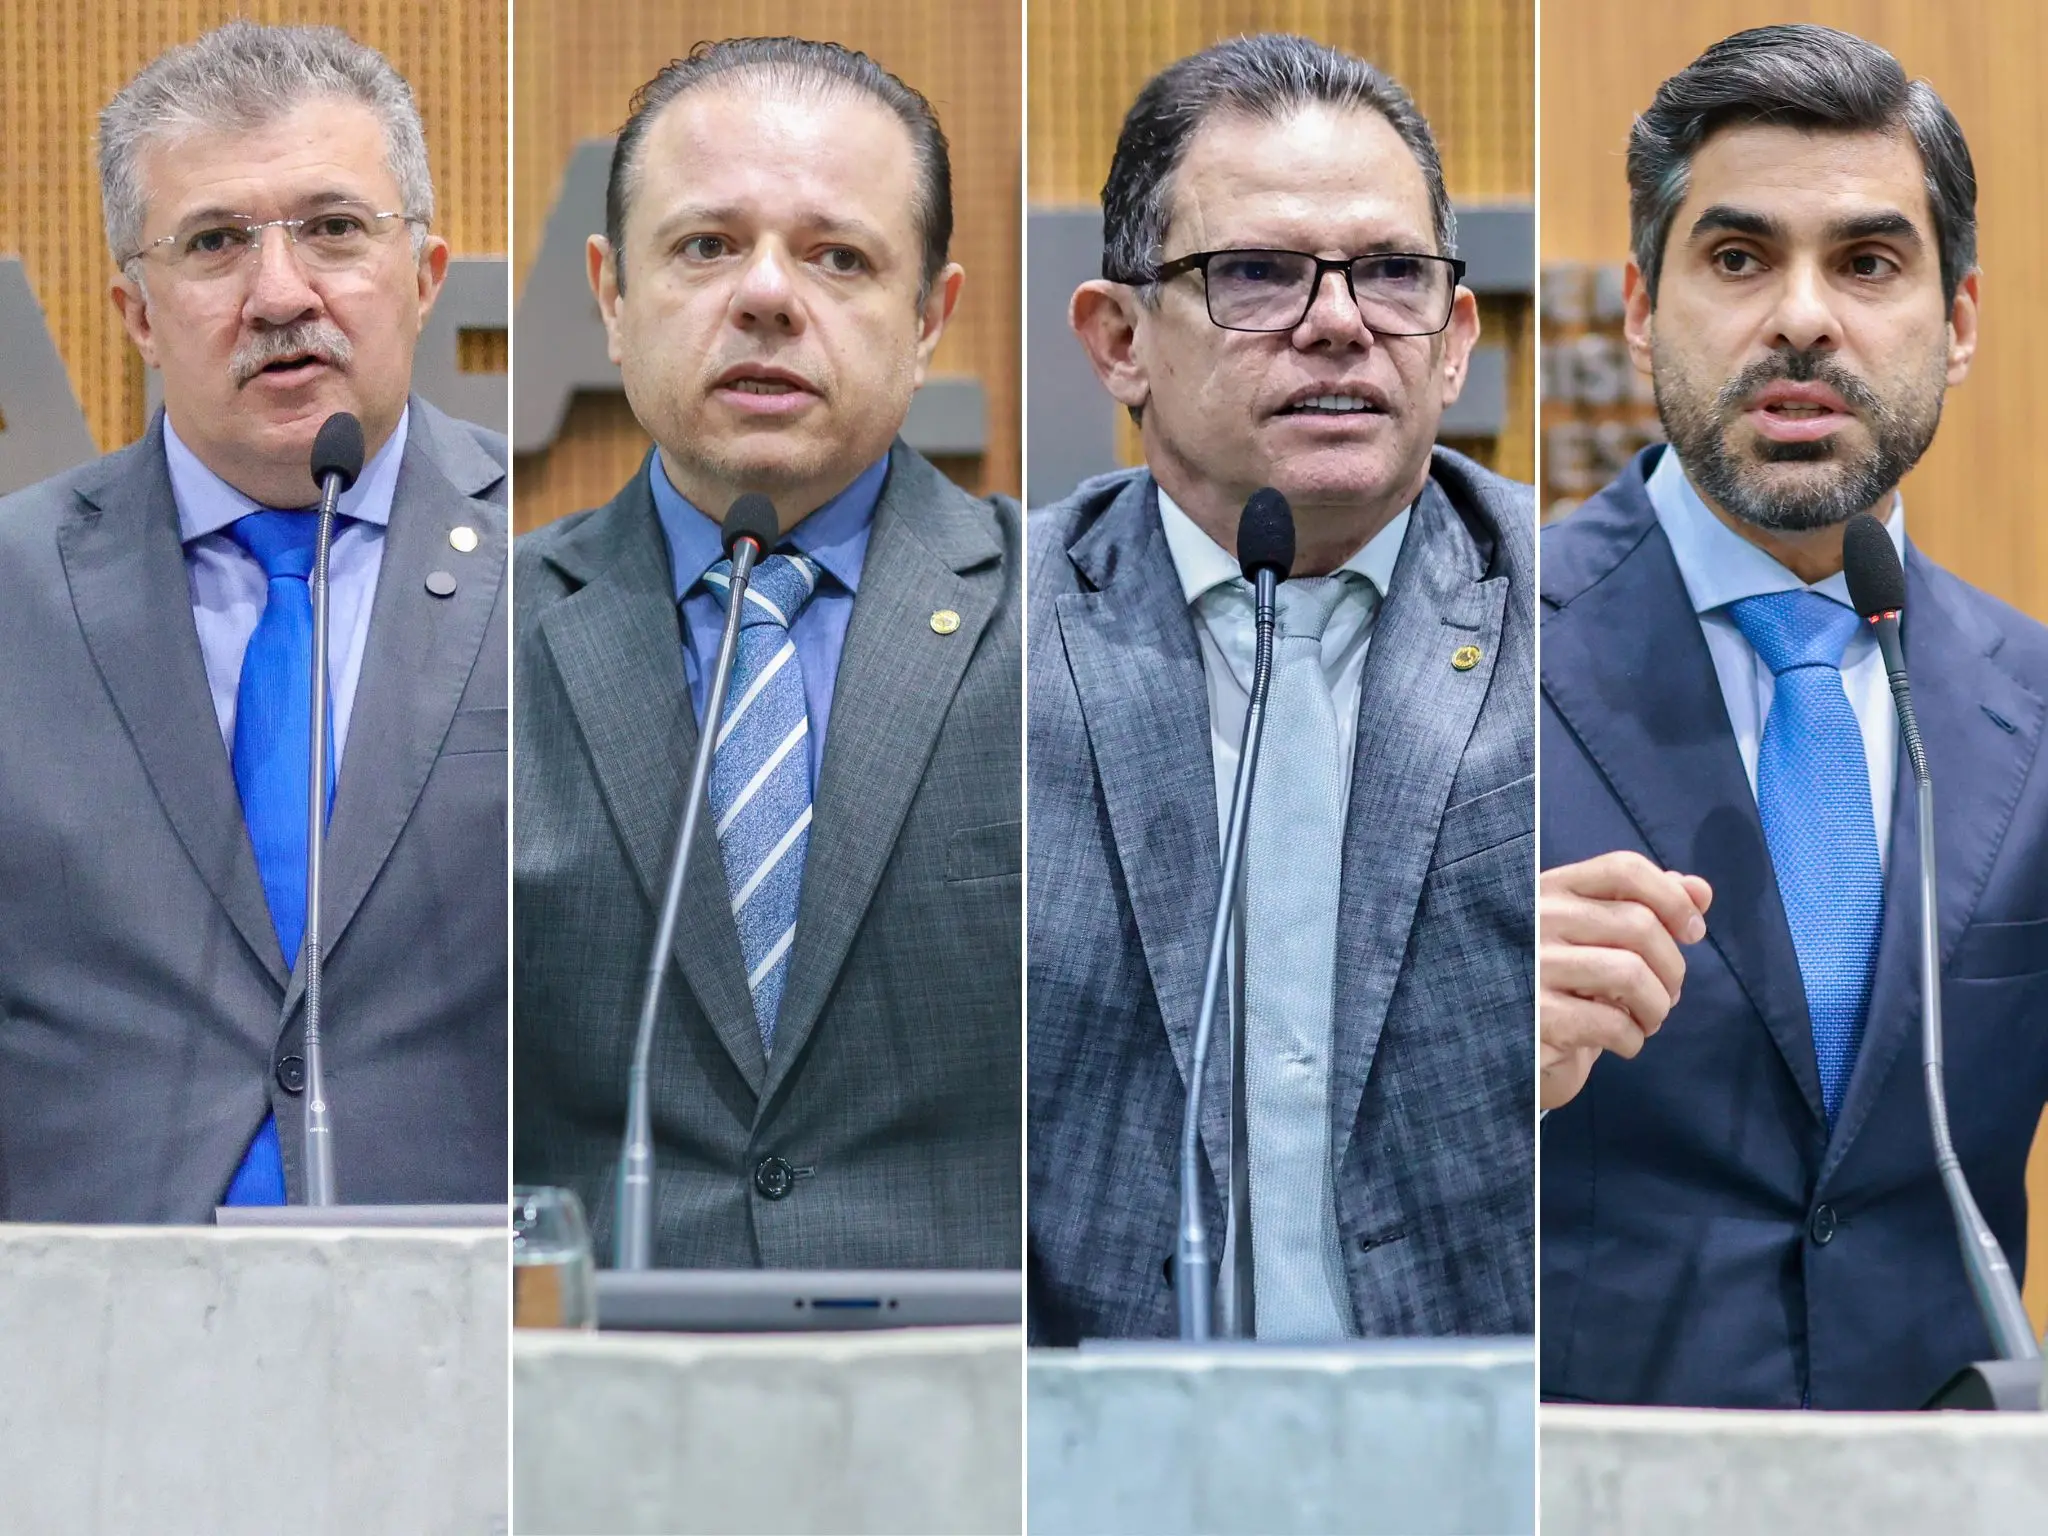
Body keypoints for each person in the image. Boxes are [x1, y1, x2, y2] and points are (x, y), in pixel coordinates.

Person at [1540, 25, 2048, 1409]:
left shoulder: (2035, 703)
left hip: (1940, 1480)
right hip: (1579, 1481)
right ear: (1641, 306)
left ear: (1958, 320)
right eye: (1737, 258)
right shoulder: (1467, 659)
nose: (1803, 319)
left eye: (1868, 263)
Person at [1029, 34, 1534, 1343]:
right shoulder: (991, 637)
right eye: (1255, 272)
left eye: (1392, 273)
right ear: (1119, 340)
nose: (1338, 321)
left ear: (1454, 340)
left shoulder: (1578, 616)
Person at [513, 39, 1021, 1269]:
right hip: (594, 1361)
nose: (767, 296)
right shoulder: (479, 633)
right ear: (610, 296)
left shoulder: (1065, 618)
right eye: (705, 246)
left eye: (838, 257)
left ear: (929, 318)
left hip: (961, 1363)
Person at [0, 21, 508, 1218]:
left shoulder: (552, 568)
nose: (280, 294)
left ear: (423, 275)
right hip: (88, 1302)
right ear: (137, 312)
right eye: (215, 242)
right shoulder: (14, 587)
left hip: (465, 1295)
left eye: (333, 228)